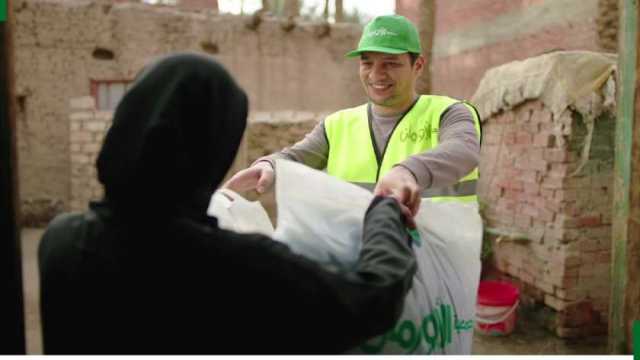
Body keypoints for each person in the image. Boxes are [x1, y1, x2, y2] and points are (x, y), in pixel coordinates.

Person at [38, 53, 417, 354]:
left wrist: (219, 202)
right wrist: (381, 212)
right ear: (212, 148)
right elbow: (372, 299)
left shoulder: (62, 242)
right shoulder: (237, 266)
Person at [225, 15, 482, 216]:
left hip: (434, 261)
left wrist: (409, 172)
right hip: (356, 260)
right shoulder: (337, 125)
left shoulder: (449, 113)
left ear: (417, 66)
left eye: (390, 63)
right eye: (367, 62)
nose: (376, 75)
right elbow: (295, 157)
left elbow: (463, 150)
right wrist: (268, 166)